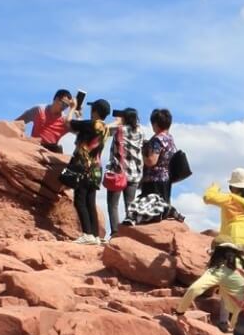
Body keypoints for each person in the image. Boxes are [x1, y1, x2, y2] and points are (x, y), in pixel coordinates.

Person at [64, 99, 111, 244]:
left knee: (80, 200)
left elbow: (68, 124)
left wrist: (72, 108)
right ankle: (95, 236)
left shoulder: (91, 124)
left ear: (95, 111)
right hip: (96, 168)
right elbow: (81, 132)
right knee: (90, 201)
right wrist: (79, 115)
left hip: (83, 166)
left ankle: (87, 233)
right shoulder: (105, 128)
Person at [105, 107, 145, 238]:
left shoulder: (120, 130)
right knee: (130, 204)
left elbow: (104, 130)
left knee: (113, 204)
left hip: (118, 173)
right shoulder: (141, 131)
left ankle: (116, 233)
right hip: (134, 174)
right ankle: (130, 234)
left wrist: (117, 122)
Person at [138, 108, 175, 202]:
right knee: (164, 210)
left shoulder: (157, 140)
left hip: (153, 181)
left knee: (152, 212)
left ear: (155, 124)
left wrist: (142, 153)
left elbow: (151, 161)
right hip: (166, 180)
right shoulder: (169, 139)